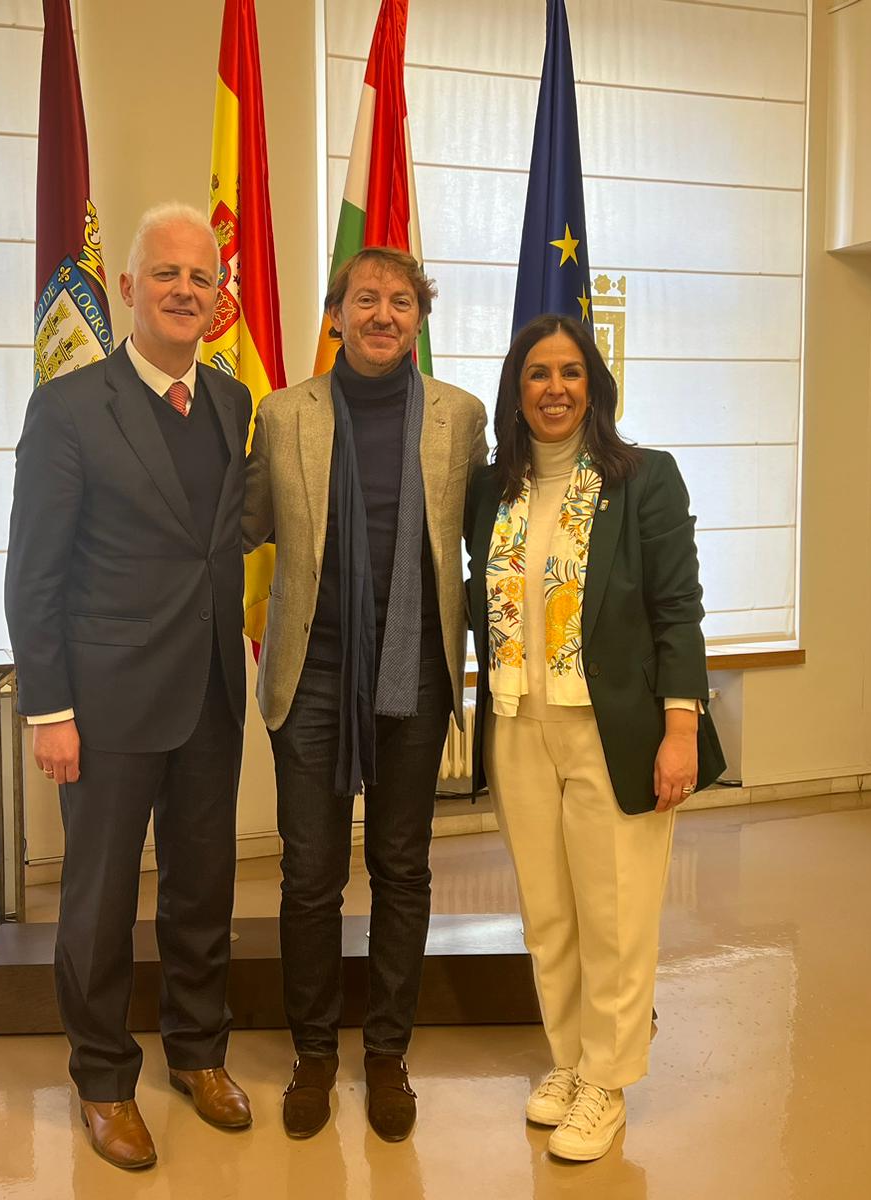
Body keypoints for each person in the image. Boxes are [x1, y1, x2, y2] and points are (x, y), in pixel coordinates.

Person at [4, 202, 254, 1171]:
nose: (186, 291)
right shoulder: (68, 408)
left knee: (202, 892)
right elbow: (36, 573)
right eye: (167, 275)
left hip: (206, 696)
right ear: (127, 288)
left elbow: (221, 544)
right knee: (100, 904)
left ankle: (197, 1053)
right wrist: (50, 710)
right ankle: (103, 1081)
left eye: (201, 277)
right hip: (101, 711)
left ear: (216, 294)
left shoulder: (232, 404)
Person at [463, 313, 725, 1163]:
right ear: (517, 388)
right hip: (516, 726)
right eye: (537, 374)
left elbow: (677, 609)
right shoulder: (490, 491)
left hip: (613, 731)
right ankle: (571, 1062)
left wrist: (680, 729)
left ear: (595, 385)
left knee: (615, 913)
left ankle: (608, 1083)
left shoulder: (644, 479)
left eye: (571, 372)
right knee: (549, 915)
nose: (554, 389)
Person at [243, 246, 488, 1142]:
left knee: (402, 869)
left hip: (414, 678)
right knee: (310, 877)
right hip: (311, 675)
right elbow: (241, 524)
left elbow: (489, 537)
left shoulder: (460, 417)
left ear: (419, 316)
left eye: (400, 300)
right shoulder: (283, 415)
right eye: (365, 299)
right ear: (336, 314)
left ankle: (386, 1052)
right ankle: (315, 1053)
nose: (383, 313)